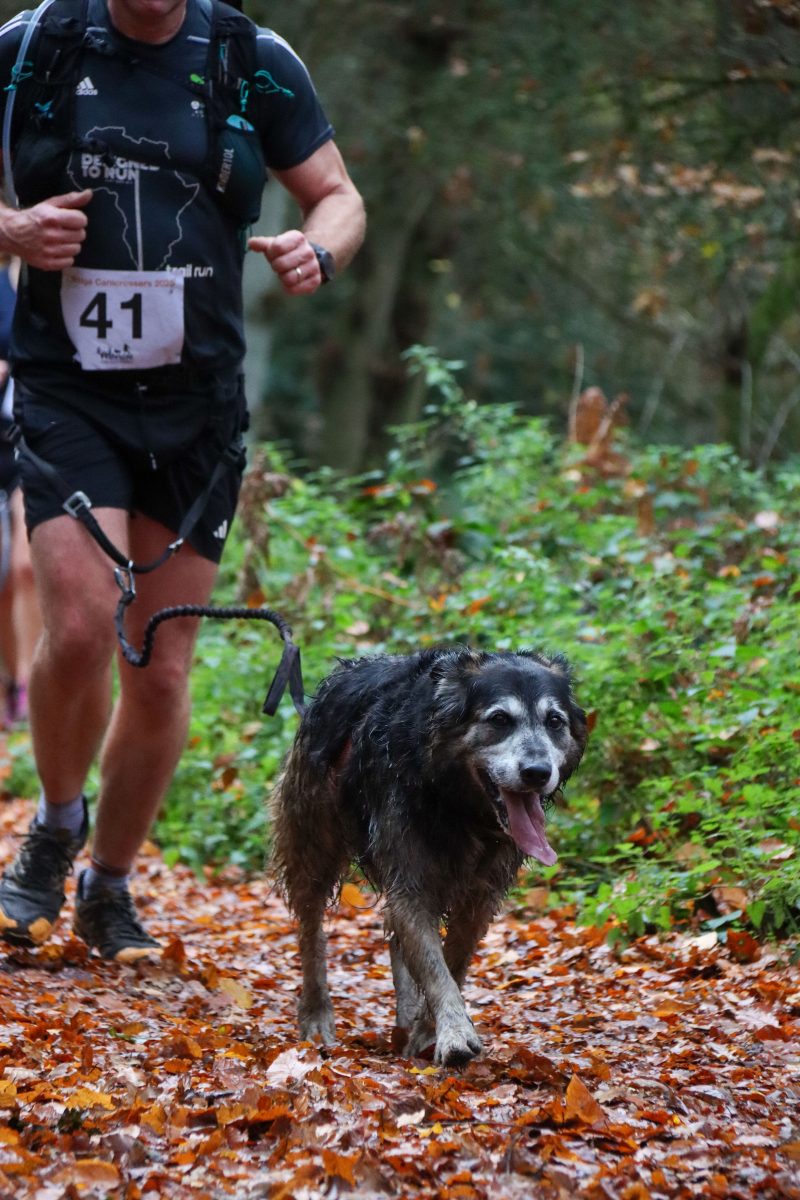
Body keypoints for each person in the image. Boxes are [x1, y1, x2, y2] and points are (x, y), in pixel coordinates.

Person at [0, 0, 365, 961]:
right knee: (83, 624)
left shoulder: (252, 58)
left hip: (197, 405)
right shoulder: (35, 46)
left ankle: (110, 886)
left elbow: (338, 193)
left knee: (160, 668)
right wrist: (12, 228)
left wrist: (319, 246)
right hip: (68, 388)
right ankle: (54, 830)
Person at [0, 255, 41, 727]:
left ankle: (30, 685)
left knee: (26, 566)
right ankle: (11, 680)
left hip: (39, 438)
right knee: (3, 578)